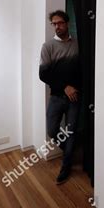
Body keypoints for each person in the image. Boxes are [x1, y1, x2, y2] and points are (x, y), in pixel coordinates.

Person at [39, 10, 80, 184]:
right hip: (57, 97)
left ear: (67, 23)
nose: (57, 26)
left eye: (60, 23)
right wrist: (65, 87)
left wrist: (75, 88)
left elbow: (82, 71)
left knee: (70, 132)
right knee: (52, 130)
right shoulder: (48, 46)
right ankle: (68, 150)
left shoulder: (77, 45)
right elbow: (44, 75)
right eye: (54, 24)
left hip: (75, 98)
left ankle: (66, 165)